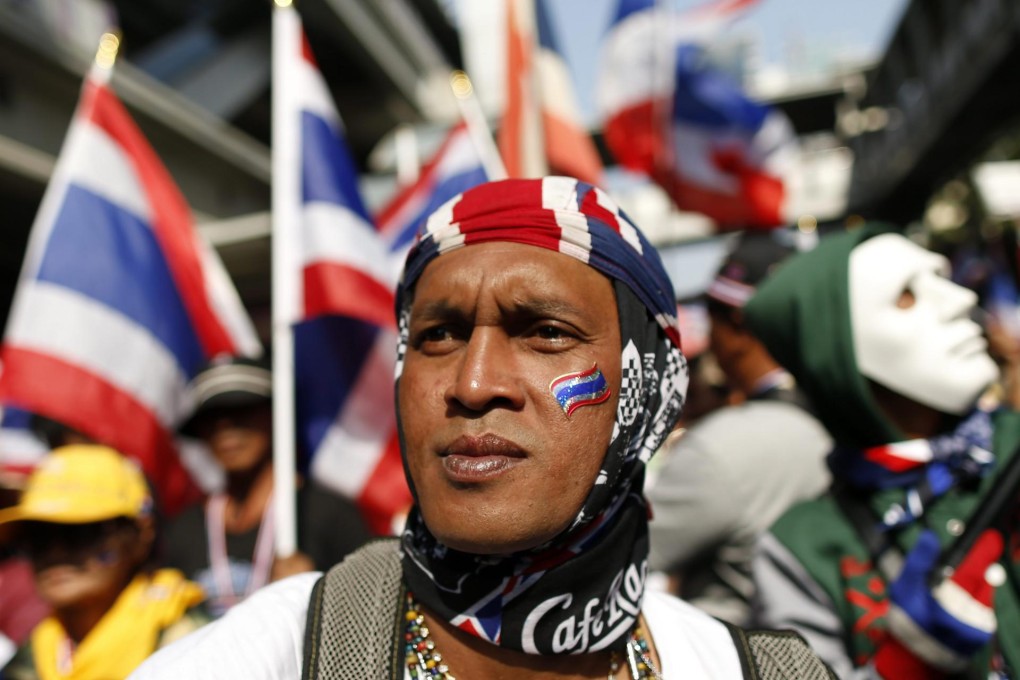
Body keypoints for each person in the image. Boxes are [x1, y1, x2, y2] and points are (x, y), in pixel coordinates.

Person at [131, 177, 834, 679]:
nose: (473, 385)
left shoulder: (749, 668)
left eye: (546, 333)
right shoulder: (277, 653)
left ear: (650, 385)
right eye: (438, 336)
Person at [744, 227, 1019, 678]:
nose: (960, 300)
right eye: (907, 295)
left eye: (942, 277)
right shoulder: (804, 546)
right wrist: (904, 665)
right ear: (836, 354)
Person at [646, 232, 832, 625]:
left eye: (711, 317)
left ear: (737, 324)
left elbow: (624, 553)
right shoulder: (849, 414)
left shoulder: (723, 446)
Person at [162, 356, 371, 616]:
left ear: (277, 417)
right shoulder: (184, 529)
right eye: (212, 417)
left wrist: (317, 595)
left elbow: (372, 614)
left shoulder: (325, 515)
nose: (225, 427)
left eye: (242, 412)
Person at [0, 445, 208, 679]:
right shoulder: (35, 654)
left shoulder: (192, 646)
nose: (55, 553)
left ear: (140, 535)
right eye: (38, 537)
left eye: (79, 531)